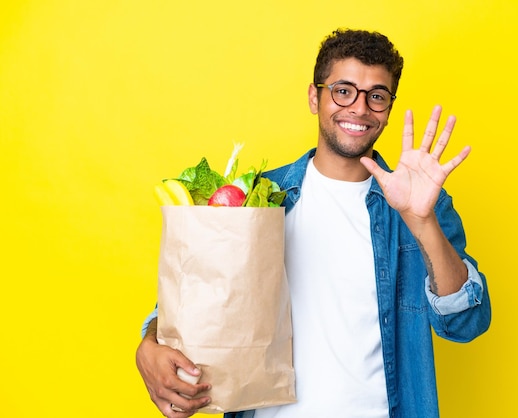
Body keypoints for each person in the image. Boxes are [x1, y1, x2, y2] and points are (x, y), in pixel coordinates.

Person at [136, 28, 491, 418]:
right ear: (314, 96)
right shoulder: (260, 197)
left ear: (388, 109)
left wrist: (421, 221)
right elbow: (193, 303)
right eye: (343, 90)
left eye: (377, 96)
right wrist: (149, 344)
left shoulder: (422, 205)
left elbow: (466, 323)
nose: (359, 108)